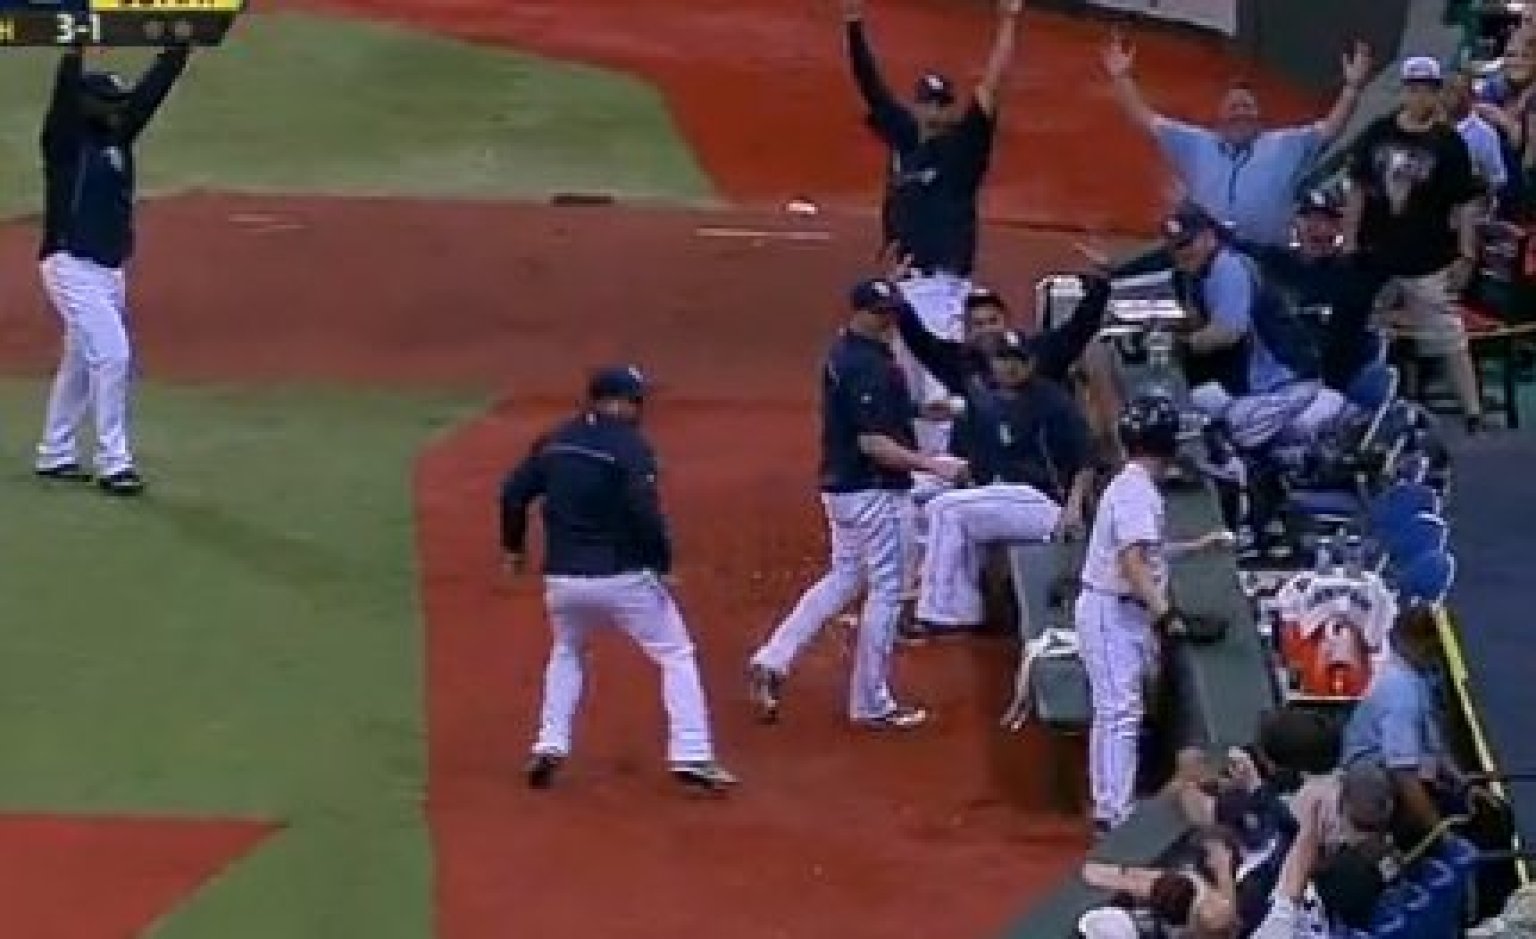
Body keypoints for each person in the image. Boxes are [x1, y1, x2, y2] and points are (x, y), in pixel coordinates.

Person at [500, 365, 737, 793]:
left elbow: (513, 495)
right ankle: (692, 753)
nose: (639, 407)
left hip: (563, 579)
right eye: (634, 399)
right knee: (676, 653)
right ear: (614, 401)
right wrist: (662, 564)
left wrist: (513, 549)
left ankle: (550, 744)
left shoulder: (554, 440)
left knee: (568, 649)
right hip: (621, 576)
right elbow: (644, 512)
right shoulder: (631, 448)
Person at [747, 278, 969, 728]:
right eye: (881, 313)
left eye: (893, 313)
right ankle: (871, 703)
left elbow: (873, 415)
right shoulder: (864, 363)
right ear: (859, 312)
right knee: (888, 590)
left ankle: (773, 657)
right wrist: (933, 465)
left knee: (846, 576)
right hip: (874, 491)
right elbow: (871, 440)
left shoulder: (848, 352)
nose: (890, 321)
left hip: (842, 488)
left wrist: (927, 413)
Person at [842, 0, 1024, 456]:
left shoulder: (964, 148)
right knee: (909, 386)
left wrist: (1007, 22)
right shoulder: (904, 138)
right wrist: (853, 25)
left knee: (944, 385)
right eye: (927, 102)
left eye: (942, 103)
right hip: (903, 285)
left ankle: (954, 471)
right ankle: (926, 477)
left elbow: (991, 87)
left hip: (945, 288)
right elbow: (870, 86)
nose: (934, 112)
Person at [33, 43, 192, 495]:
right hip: (70, 263)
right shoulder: (64, 143)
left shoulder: (116, 138)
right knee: (113, 355)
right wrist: (73, 53)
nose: (117, 112)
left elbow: (148, 97)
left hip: (107, 270)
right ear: (87, 106)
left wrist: (174, 54)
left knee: (82, 360)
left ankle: (55, 452)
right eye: (108, 105)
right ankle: (114, 462)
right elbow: (63, 96)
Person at [1077, 395, 1232, 833]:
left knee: (1121, 711)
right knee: (1119, 711)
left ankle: (1112, 804)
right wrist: (1165, 613)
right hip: (1113, 610)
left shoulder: (1132, 485)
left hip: (1119, 610)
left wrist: (1196, 547)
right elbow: (1131, 563)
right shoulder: (1137, 491)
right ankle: (1113, 813)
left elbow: (1146, 554)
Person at [1104, 29, 1370, 247]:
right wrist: (1120, 78)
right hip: (1209, 257)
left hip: (1268, 259)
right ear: (1219, 116)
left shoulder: (1284, 146)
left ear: (1259, 116)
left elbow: (1331, 129)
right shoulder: (1195, 144)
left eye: (1247, 107)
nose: (1241, 113)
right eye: (1234, 107)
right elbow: (1146, 120)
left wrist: (1352, 88)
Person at [913, 335, 1095, 633]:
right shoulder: (984, 399)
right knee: (910, 493)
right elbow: (976, 458)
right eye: (1002, 358)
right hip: (1001, 496)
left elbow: (1086, 459)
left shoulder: (1052, 400)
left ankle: (944, 611)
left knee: (946, 510)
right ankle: (954, 595)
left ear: (1031, 363)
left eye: (1017, 359)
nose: (1009, 366)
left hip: (1043, 503)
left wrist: (1073, 509)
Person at [1343, 55, 1486, 432]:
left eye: (1427, 89)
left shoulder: (1449, 144)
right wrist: (1350, 241)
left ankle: (1472, 409)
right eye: (1413, 88)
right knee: (1364, 330)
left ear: (1437, 93)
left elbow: (1466, 201)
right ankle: (1360, 405)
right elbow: (1358, 189)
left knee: (1447, 335)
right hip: (1376, 255)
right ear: (1404, 91)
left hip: (1428, 257)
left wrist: (1466, 253)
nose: (1419, 96)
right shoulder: (1378, 133)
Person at [1241, 189, 1389, 392]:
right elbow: (1223, 241)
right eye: (1309, 218)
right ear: (1294, 222)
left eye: (1329, 220)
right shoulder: (1274, 263)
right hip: (1288, 387)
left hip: (1352, 385)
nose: (1319, 228)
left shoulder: (1360, 270)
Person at [1447, 67, 1510, 215]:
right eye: (1448, 90)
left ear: (1472, 96)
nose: (1450, 96)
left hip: (1471, 208)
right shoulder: (1432, 126)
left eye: (1458, 90)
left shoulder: (1484, 134)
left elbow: (1498, 180)